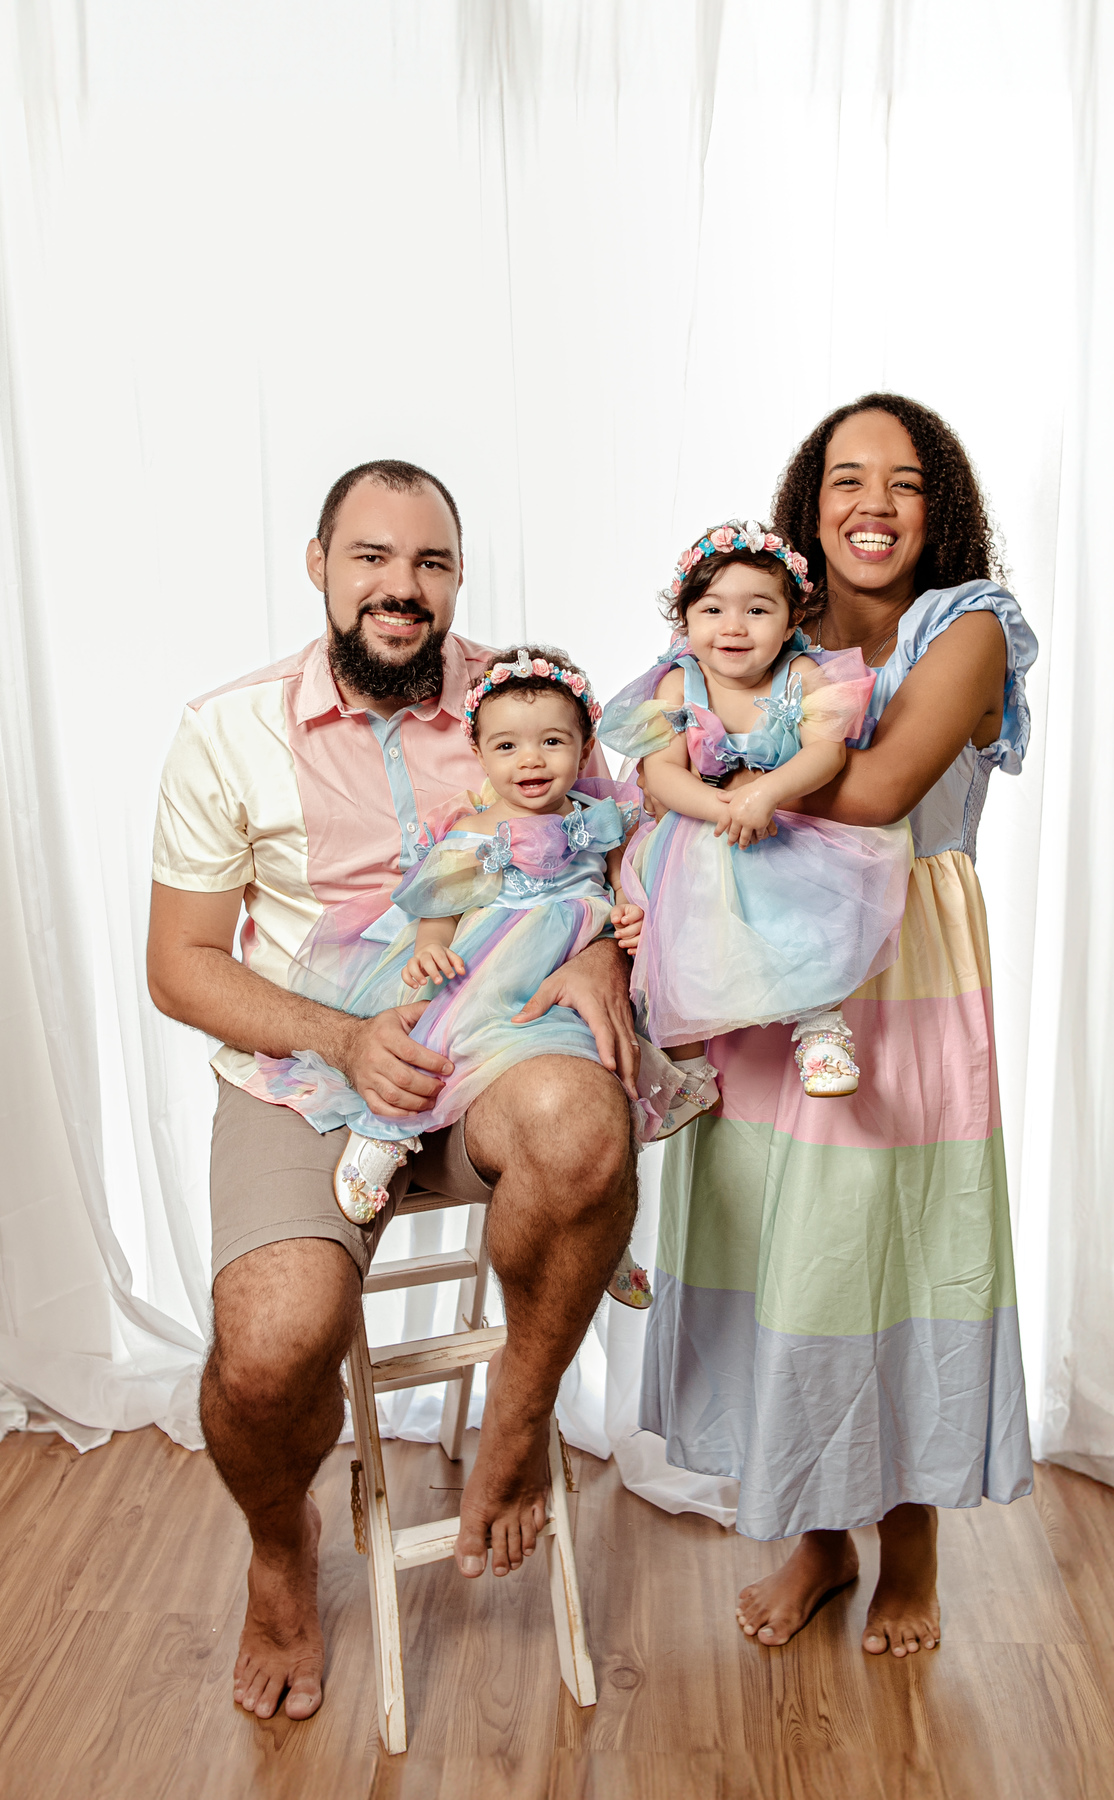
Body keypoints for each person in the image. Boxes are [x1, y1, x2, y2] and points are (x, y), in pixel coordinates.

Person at [146, 461, 645, 1723]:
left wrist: (590, 945)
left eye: (429, 562)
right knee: (267, 1351)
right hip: (311, 1069)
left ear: (458, 577)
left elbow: (622, 853)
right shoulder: (230, 727)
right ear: (318, 564)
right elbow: (181, 966)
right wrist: (347, 1033)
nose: (400, 588)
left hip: (488, 1046)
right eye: (370, 557)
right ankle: (278, 1545)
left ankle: (517, 1435)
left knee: (584, 1128)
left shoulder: (529, 700)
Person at [638, 396, 1037, 1657]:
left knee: (896, 1247)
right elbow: (642, 736)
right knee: (786, 1249)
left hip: (900, 963)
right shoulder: (768, 623)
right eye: (847, 479)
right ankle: (817, 1537)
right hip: (760, 962)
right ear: (808, 506)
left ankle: (908, 1546)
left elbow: (869, 789)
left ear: (942, 509)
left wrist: (714, 783)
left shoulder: (964, 629)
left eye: (906, 482)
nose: (875, 503)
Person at [257, 642, 697, 1307]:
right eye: (509, 747)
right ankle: (382, 1138)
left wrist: (626, 923)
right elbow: (438, 904)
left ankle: (606, 1236)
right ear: (482, 753)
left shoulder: (596, 817)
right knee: (434, 1046)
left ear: (582, 750)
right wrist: (430, 947)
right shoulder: (477, 829)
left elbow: (621, 884)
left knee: (604, 1087)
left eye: (552, 742)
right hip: (495, 967)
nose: (531, 761)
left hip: (571, 983)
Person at [599, 519, 912, 1097]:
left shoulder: (803, 673)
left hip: (784, 823)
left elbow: (827, 754)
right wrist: (723, 807)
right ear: (685, 620)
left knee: (812, 913)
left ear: (792, 619)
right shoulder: (678, 685)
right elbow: (662, 773)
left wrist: (764, 794)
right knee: (677, 935)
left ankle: (820, 1021)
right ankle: (687, 1062)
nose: (733, 628)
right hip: (702, 828)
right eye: (712, 611)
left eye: (758, 611)